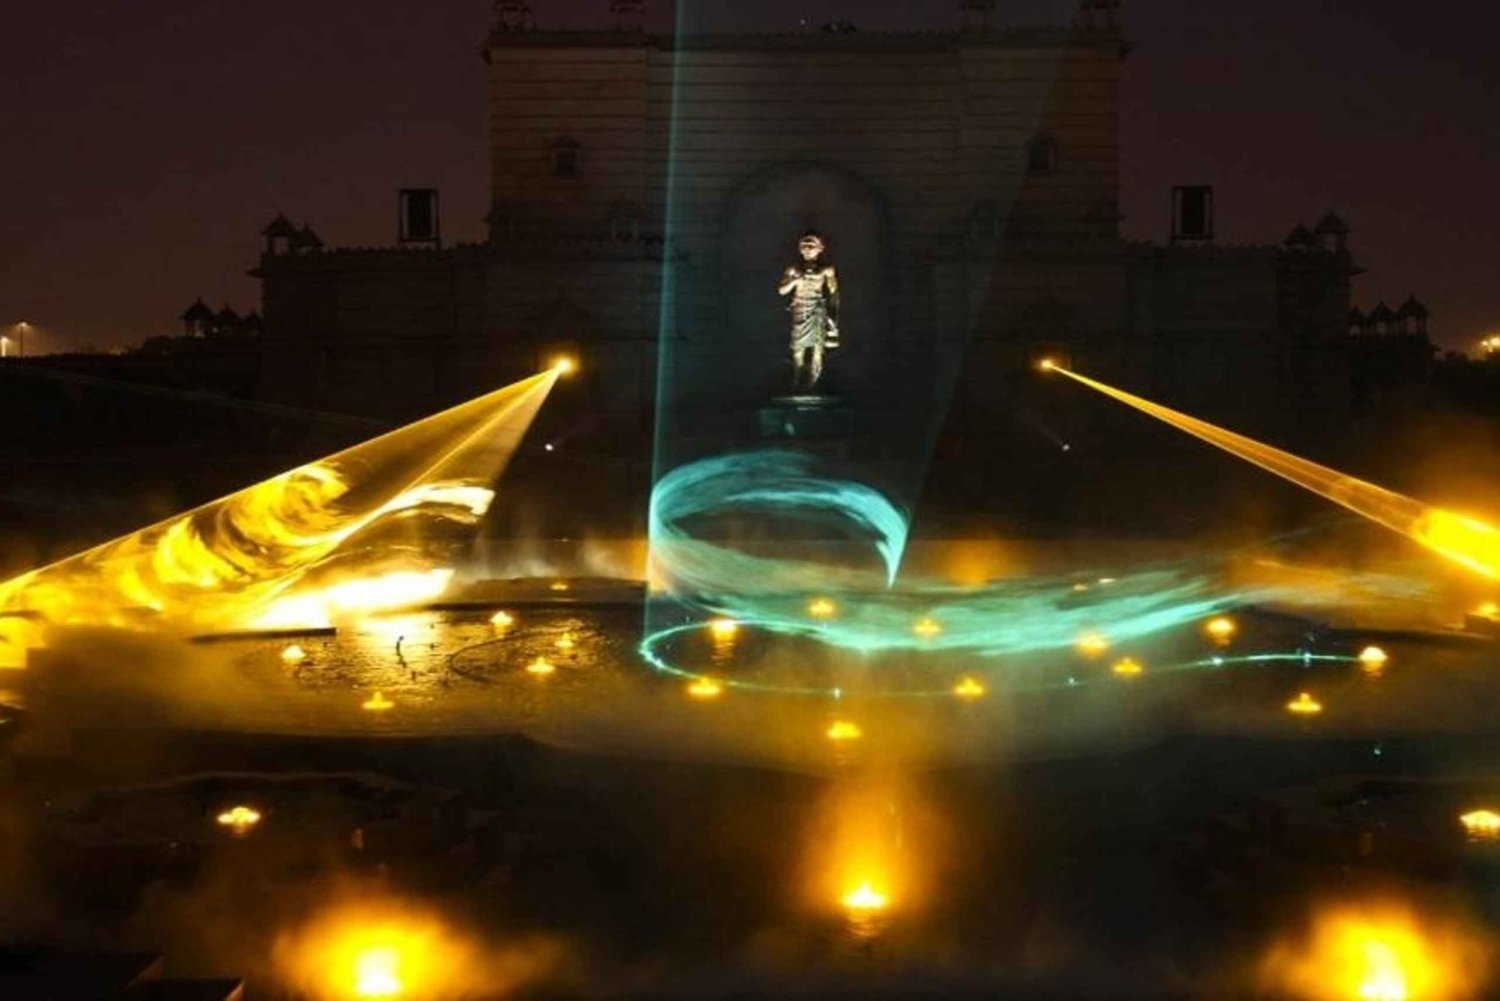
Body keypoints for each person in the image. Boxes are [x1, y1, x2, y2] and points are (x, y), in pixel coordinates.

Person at [778, 232, 840, 392]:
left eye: (811, 246)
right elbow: (782, 290)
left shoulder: (827, 270)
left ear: (820, 249)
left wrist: (833, 318)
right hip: (800, 310)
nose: (807, 250)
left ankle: (813, 384)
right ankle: (797, 379)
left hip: (817, 311)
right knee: (798, 348)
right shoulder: (793, 269)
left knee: (817, 348)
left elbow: (833, 293)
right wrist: (795, 280)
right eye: (804, 246)